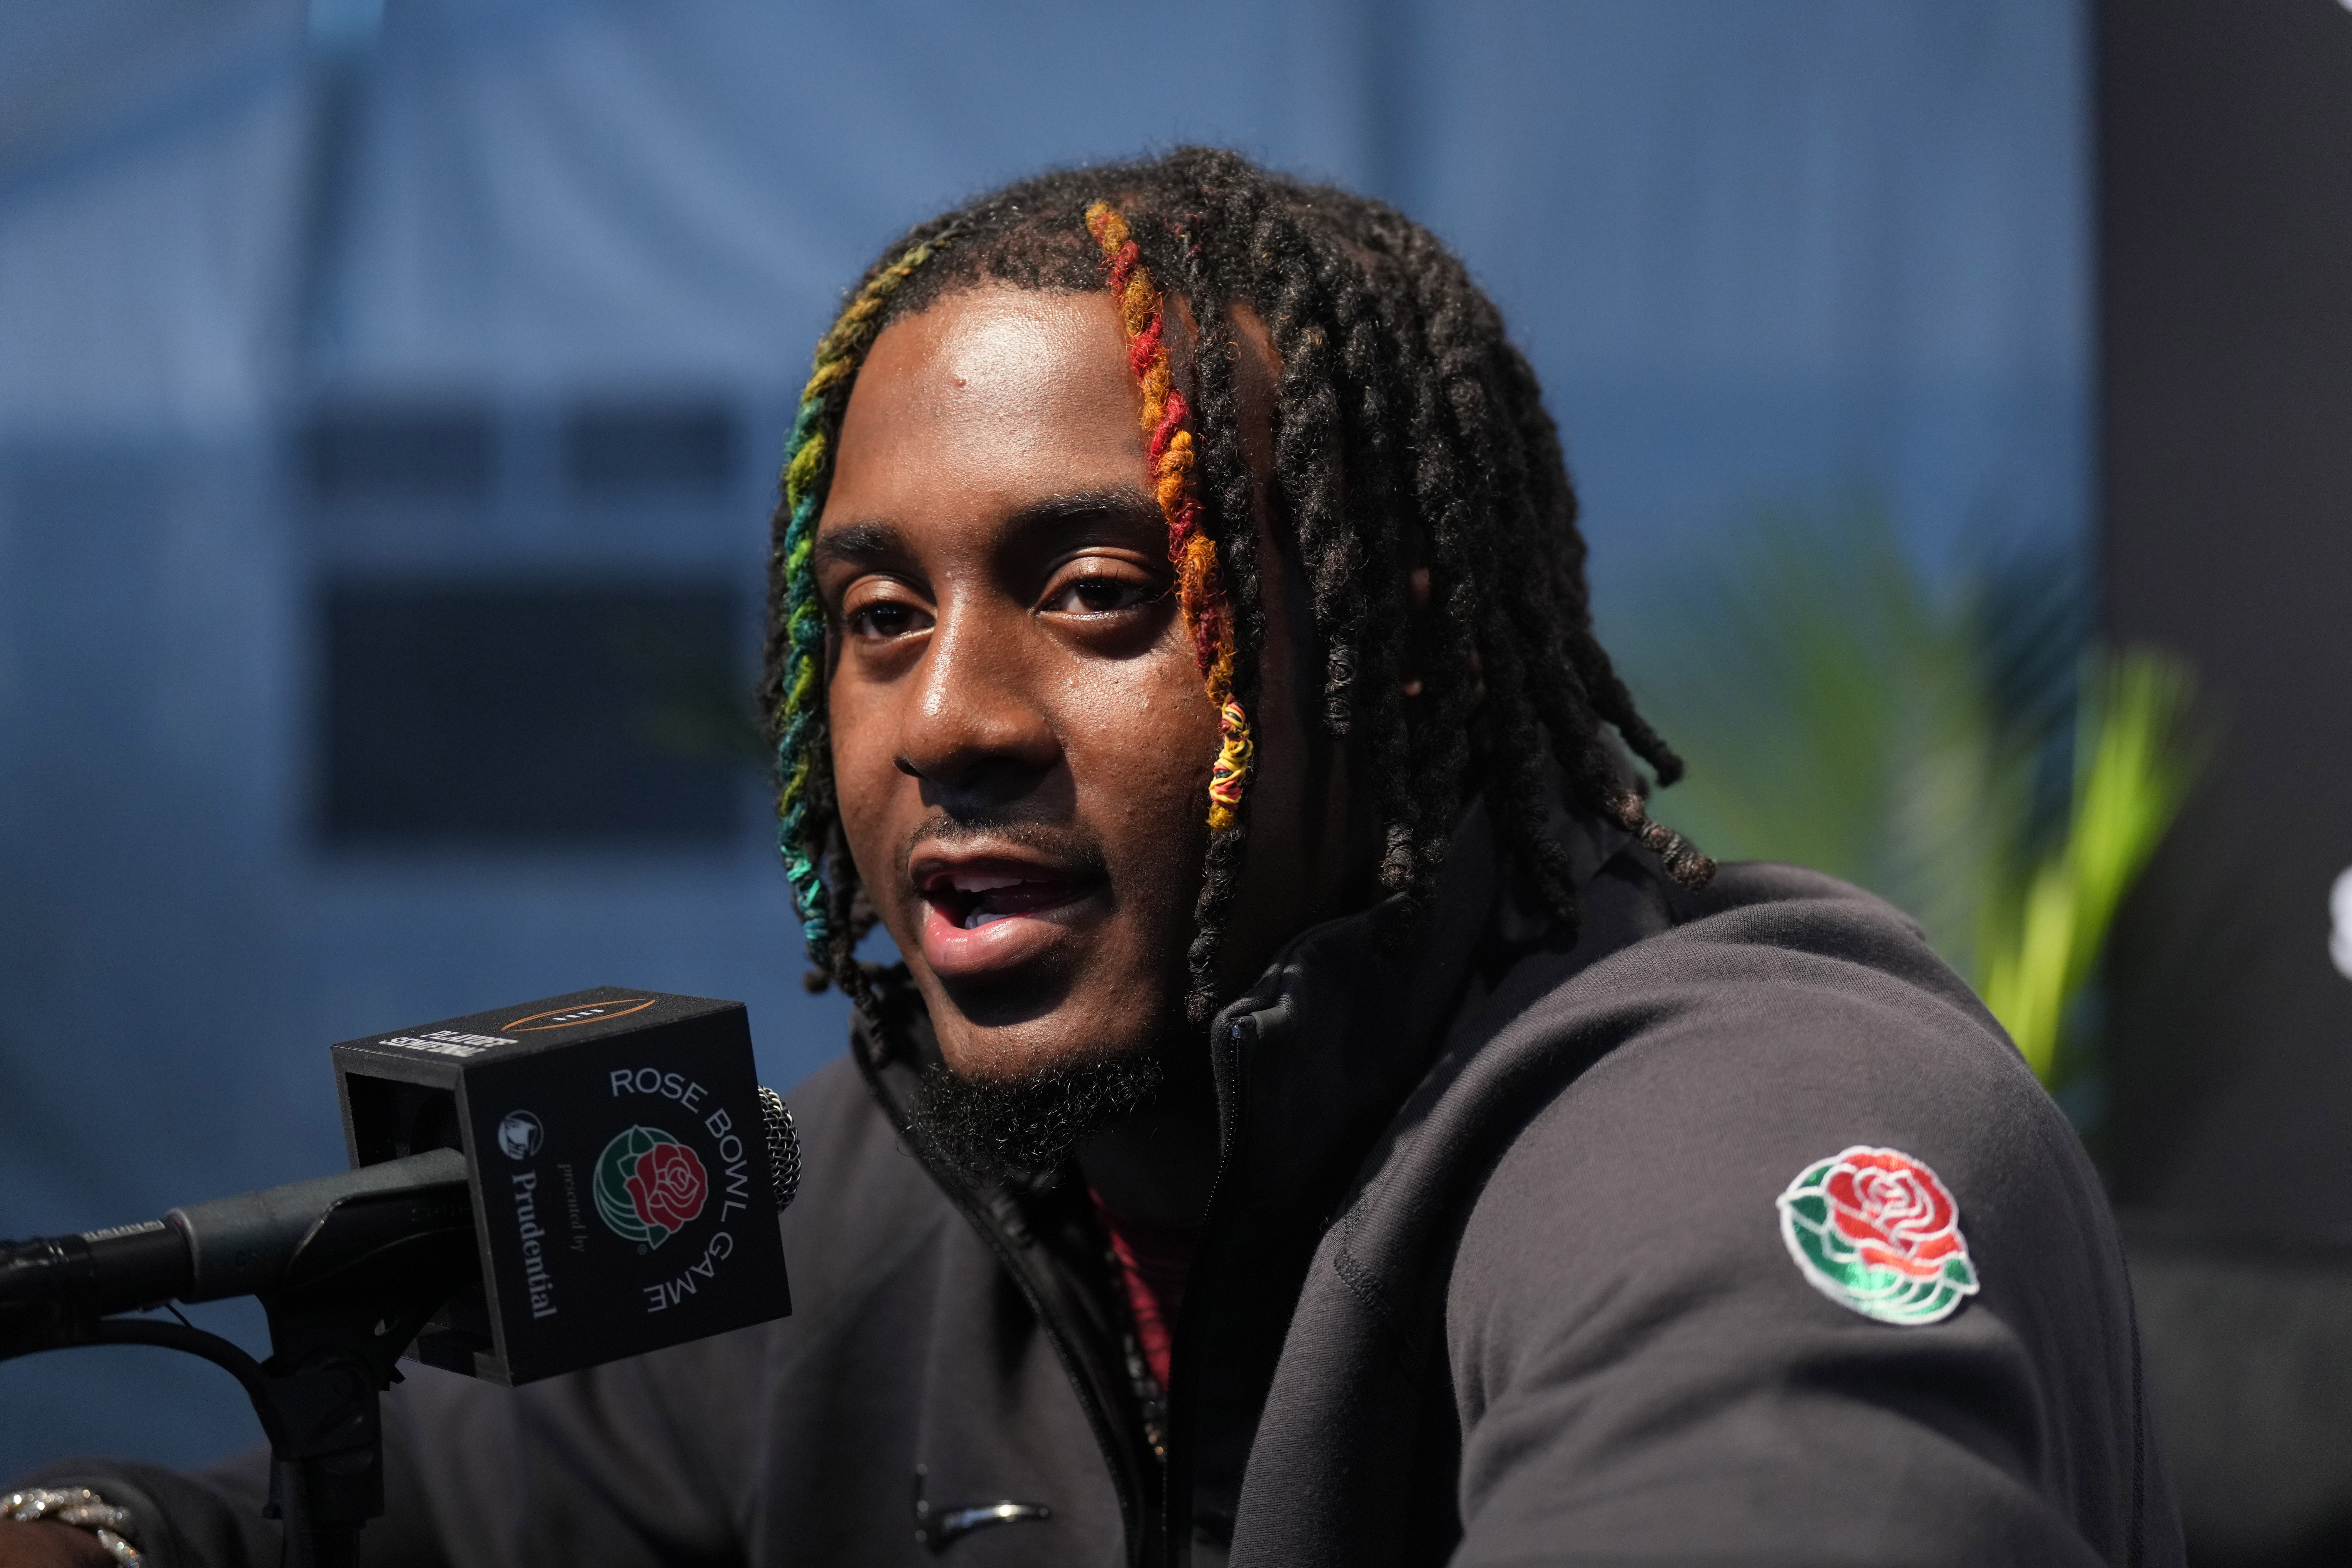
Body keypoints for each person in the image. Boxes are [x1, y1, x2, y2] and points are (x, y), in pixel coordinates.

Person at [4, 148, 2179, 1568]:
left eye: (1097, 595)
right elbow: (365, 1523)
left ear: (1391, 666)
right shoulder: (892, 1179)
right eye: (876, 621)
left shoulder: (1736, 1121)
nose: (945, 716)